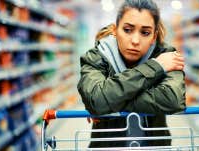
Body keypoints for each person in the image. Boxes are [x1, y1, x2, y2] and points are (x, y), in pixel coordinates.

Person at [77, 0, 186, 148]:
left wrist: (108, 102)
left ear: (154, 36)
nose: (135, 40)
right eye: (127, 30)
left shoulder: (167, 56)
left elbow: (173, 99)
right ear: (115, 30)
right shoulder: (96, 57)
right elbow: (96, 99)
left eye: (145, 33)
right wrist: (156, 66)